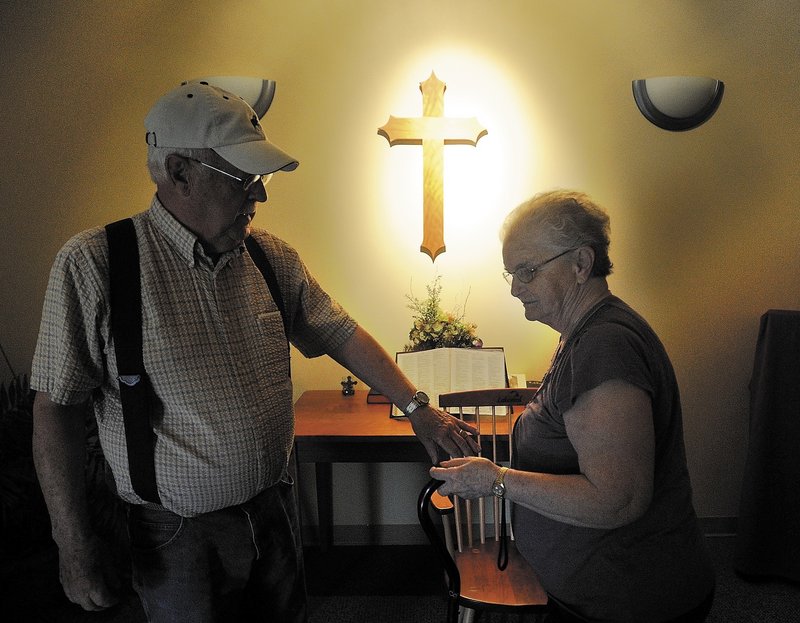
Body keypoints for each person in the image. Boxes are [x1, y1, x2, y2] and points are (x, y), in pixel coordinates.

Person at [30, 82, 479, 623]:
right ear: (179, 173)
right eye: (242, 178)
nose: (260, 196)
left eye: (259, 178)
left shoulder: (269, 257)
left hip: (274, 513)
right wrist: (73, 546)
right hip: (175, 535)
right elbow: (55, 407)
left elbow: (339, 332)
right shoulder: (95, 264)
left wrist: (417, 408)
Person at [431, 191, 715, 622]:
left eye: (526, 271)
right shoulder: (584, 333)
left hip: (629, 599)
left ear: (581, 264)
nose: (514, 288)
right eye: (510, 273)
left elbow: (617, 500)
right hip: (603, 591)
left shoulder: (605, 345)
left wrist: (497, 480)